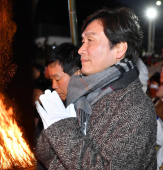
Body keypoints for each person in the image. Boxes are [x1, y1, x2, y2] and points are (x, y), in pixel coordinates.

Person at [35, 7, 157, 169]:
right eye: (83, 41)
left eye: (90, 40)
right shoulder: (79, 92)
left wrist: (62, 131)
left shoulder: (136, 107)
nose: (80, 50)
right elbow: (44, 154)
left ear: (119, 48)